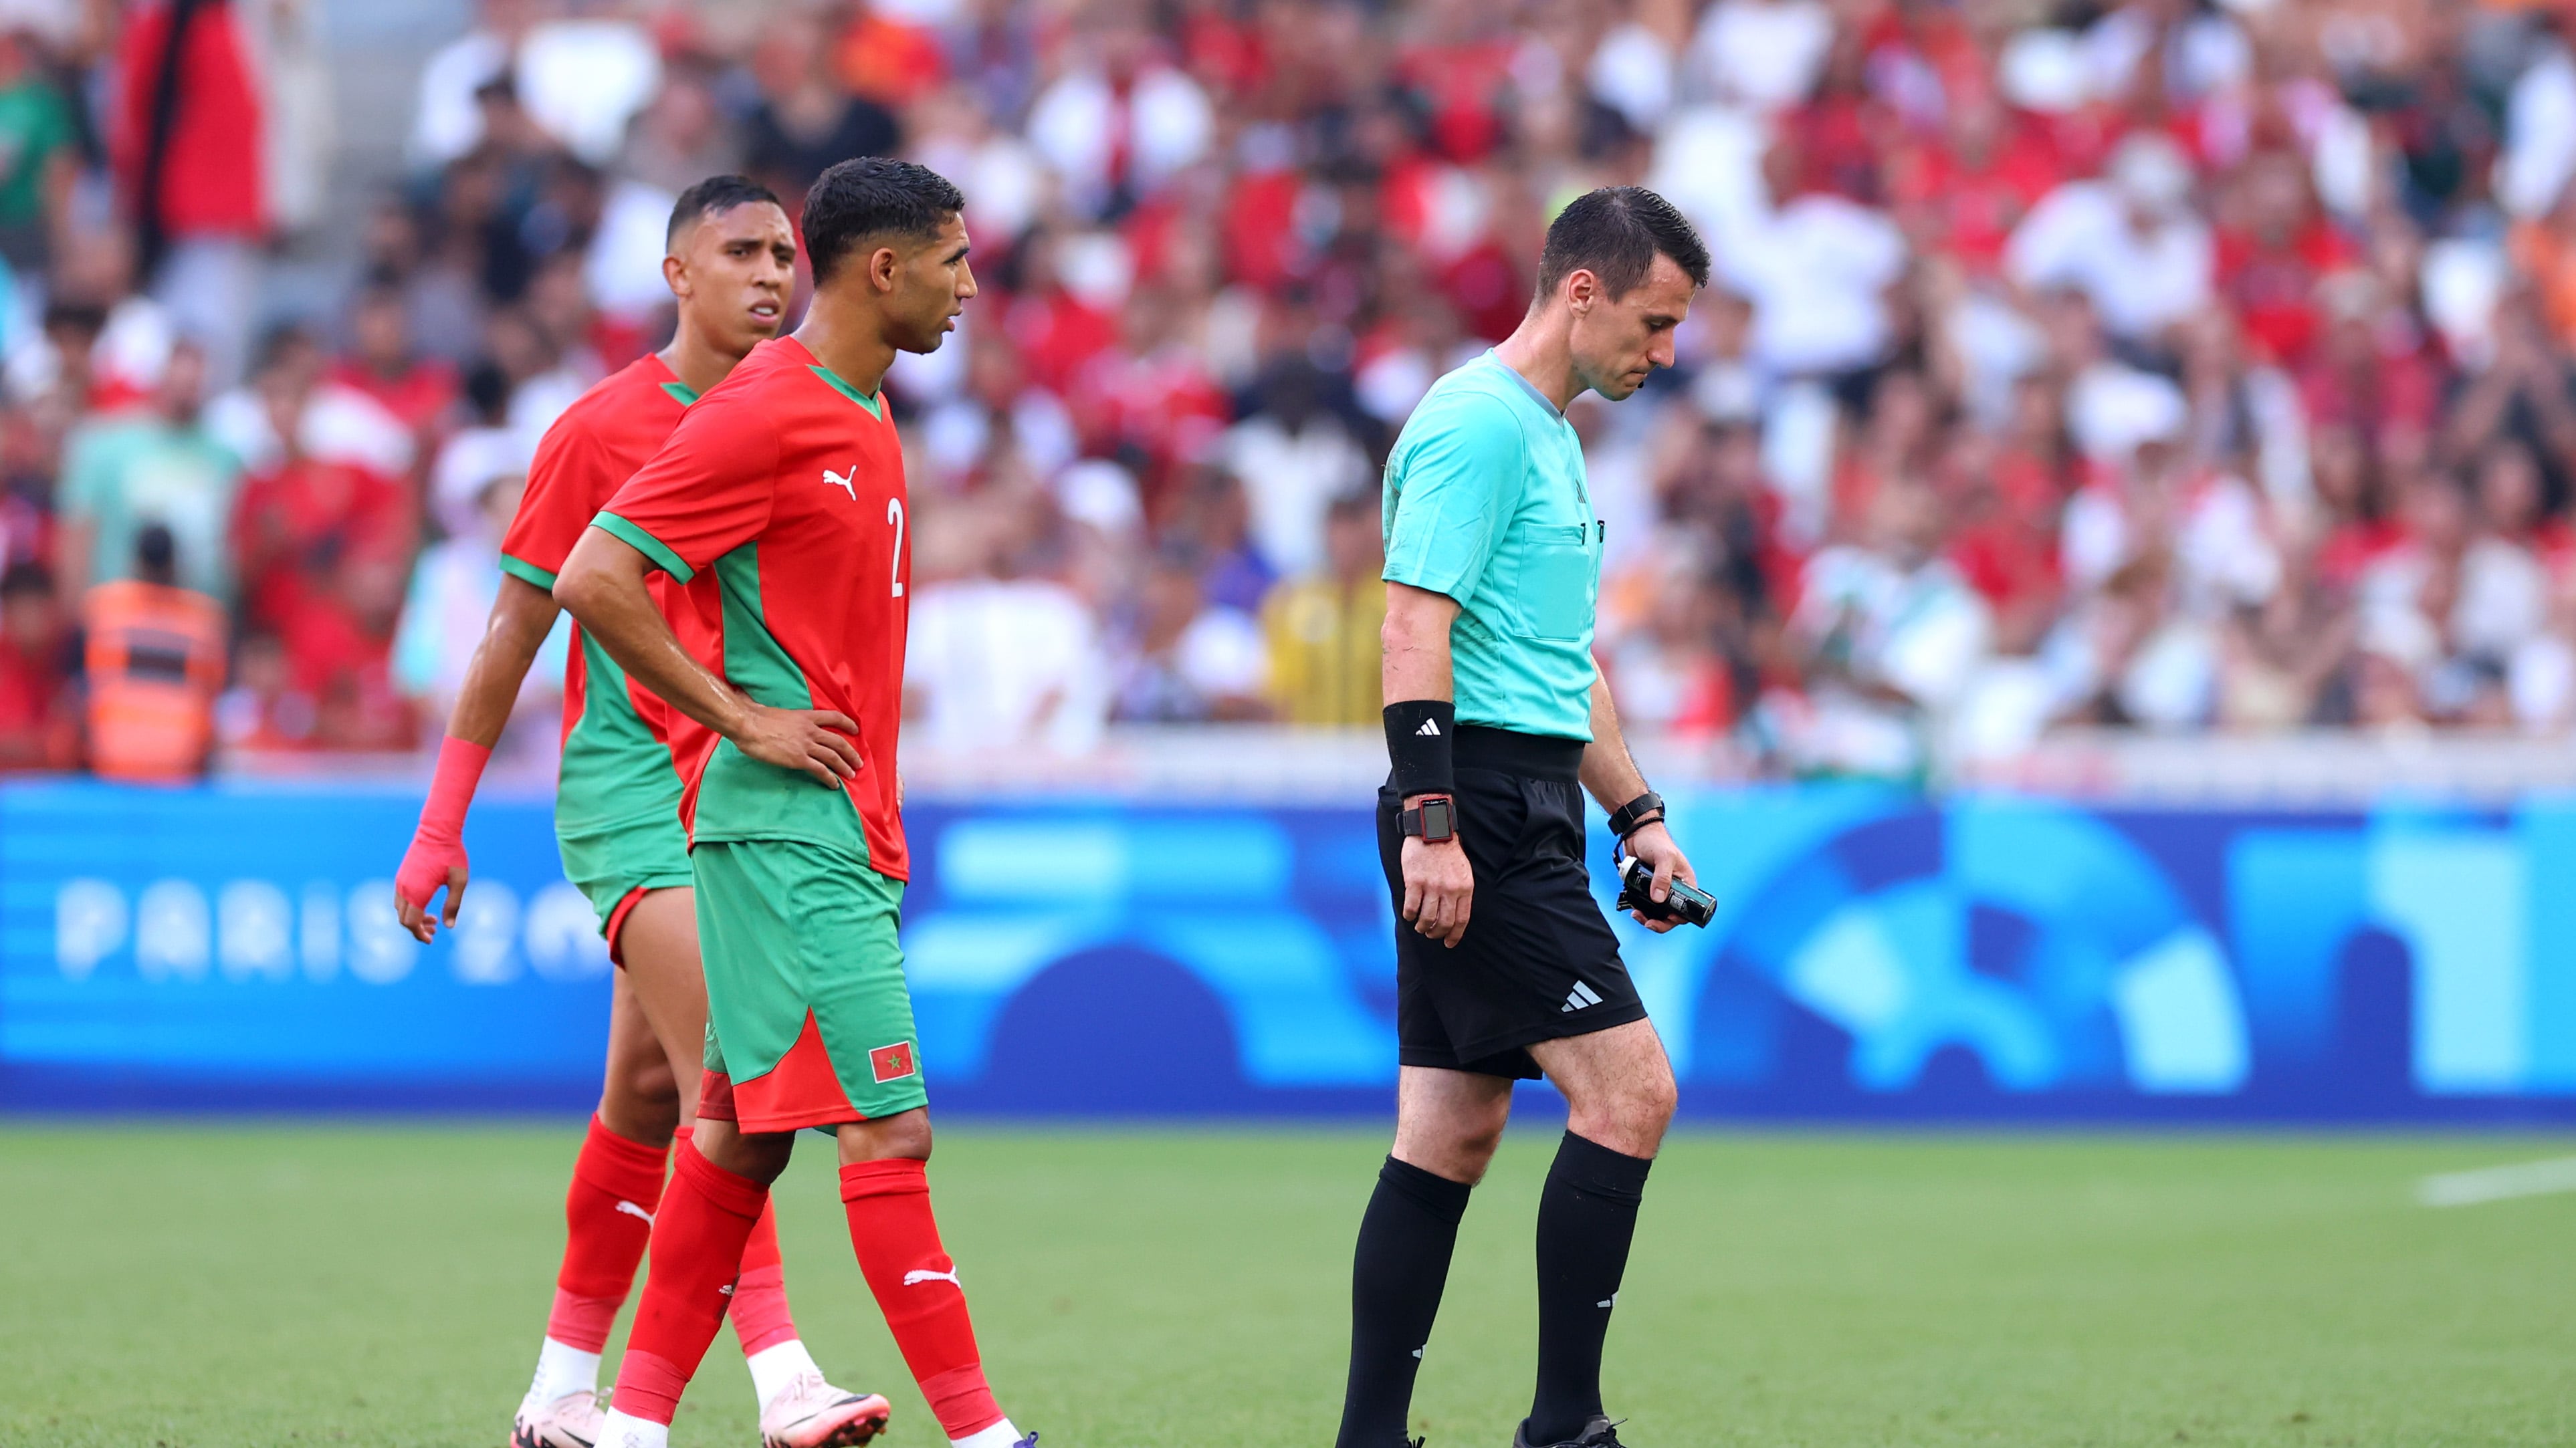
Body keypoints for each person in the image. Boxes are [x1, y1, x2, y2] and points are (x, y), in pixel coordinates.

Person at [391, 176, 889, 1448]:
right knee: (736, 1061)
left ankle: (559, 1390)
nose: (771, 273)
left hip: (748, 797)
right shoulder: (600, 427)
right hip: (633, 792)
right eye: (739, 251)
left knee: (648, 1098)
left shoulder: (814, 412)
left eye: (784, 252)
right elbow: (516, 631)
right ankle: (785, 1380)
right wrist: (442, 823)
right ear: (677, 274)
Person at [552, 157, 1034, 1448]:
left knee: (729, 1137)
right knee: (890, 1127)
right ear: (885, 269)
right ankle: (984, 1435)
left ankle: (630, 1422)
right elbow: (594, 575)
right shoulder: (770, 407)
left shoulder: (862, 410)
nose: (969, 287)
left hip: (828, 829)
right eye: (953, 260)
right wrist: (745, 718)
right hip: (782, 831)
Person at [1341, 187, 1708, 1448]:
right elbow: (1411, 624)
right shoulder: (1478, 426)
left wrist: (1638, 815)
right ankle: (1565, 1426)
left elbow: (1565, 664)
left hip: (1526, 795)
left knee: (1448, 1127)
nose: (1662, 355)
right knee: (1630, 1093)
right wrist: (1433, 819)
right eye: (1655, 324)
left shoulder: (1549, 435)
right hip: (1478, 807)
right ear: (1583, 291)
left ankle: (1370, 1437)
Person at [82, 523, 225, 782]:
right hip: (181, 771)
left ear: (136, 562)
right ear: (175, 563)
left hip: (113, 768)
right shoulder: (205, 619)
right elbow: (215, 690)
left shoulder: (102, 610)